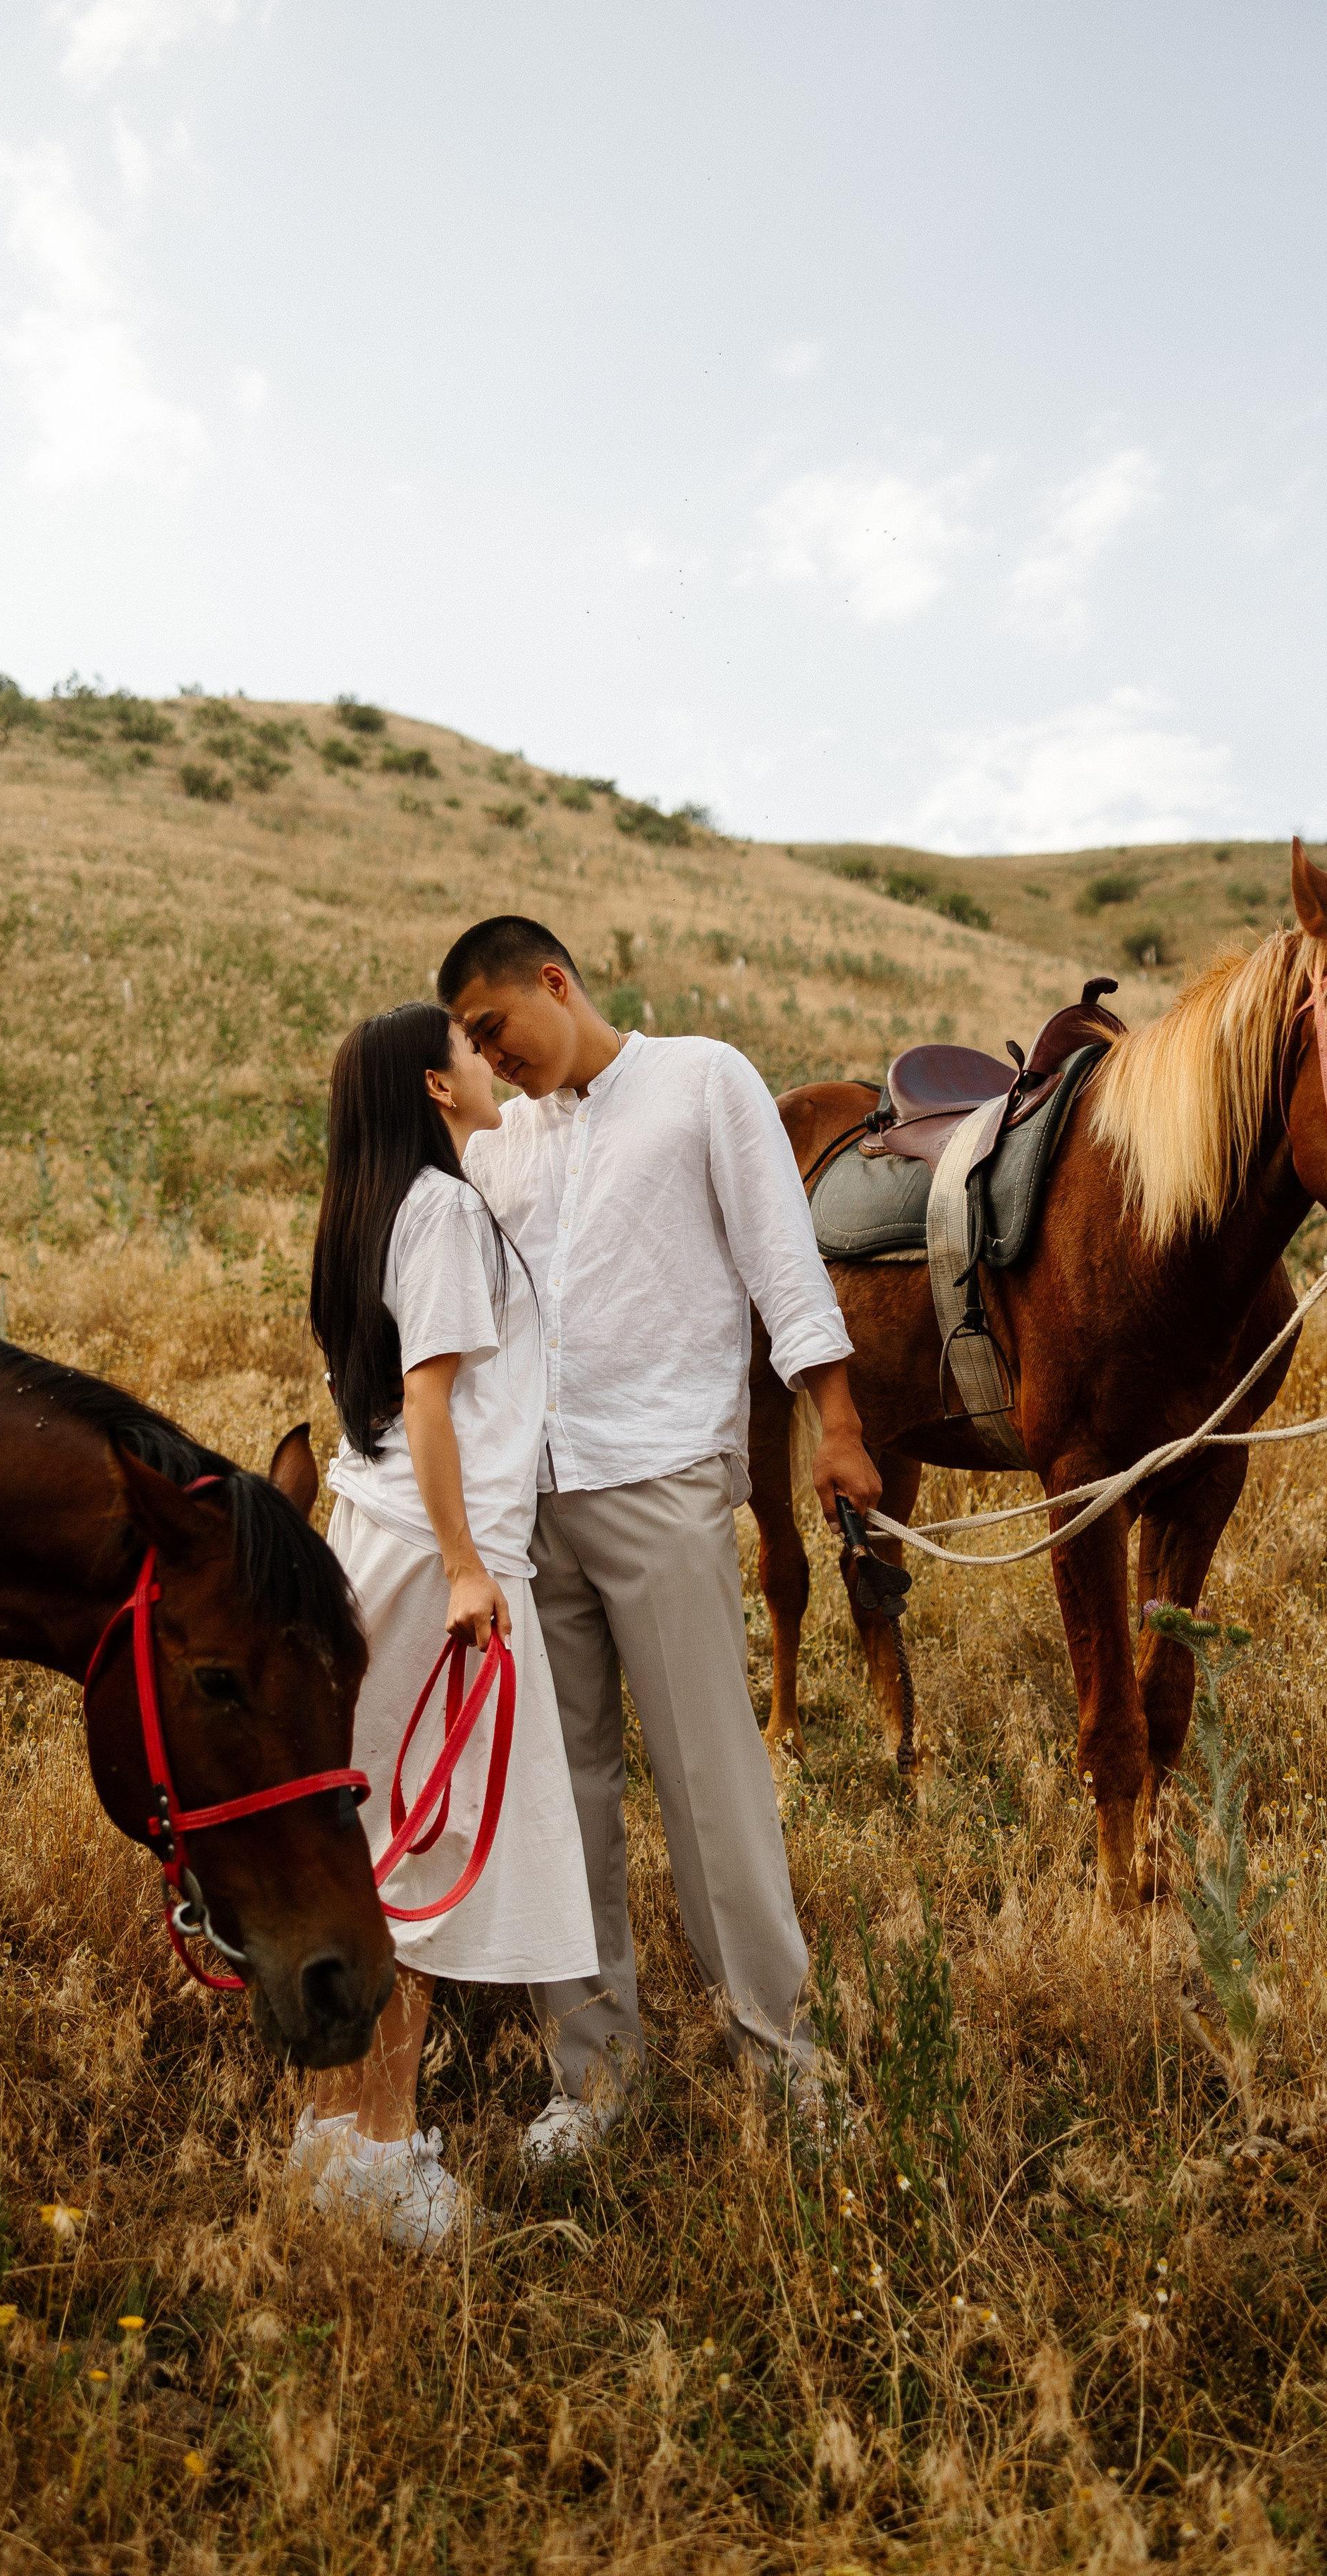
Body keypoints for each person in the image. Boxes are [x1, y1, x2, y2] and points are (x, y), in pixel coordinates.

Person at [436, 915, 882, 2161]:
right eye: (469, 1045)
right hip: (534, 1508)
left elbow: (783, 1266)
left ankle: (784, 2059)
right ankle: (594, 2079)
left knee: (711, 1782)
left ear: (553, 982)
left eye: (493, 1028)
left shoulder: (700, 1078)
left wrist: (834, 1426)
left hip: (663, 1478)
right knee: (561, 1794)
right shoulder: (501, 1149)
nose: (489, 1056)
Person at [293, 1000, 597, 2249]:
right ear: (436, 1086)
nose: (492, 1064)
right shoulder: (445, 1213)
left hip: (379, 1540)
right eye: (472, 1052)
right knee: (426, 1843)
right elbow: (432, 1406)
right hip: (437, 1557)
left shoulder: (371, 1213)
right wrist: (473, 1568)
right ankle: (384, 2153)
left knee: (372, 1838)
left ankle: (330, 2136)